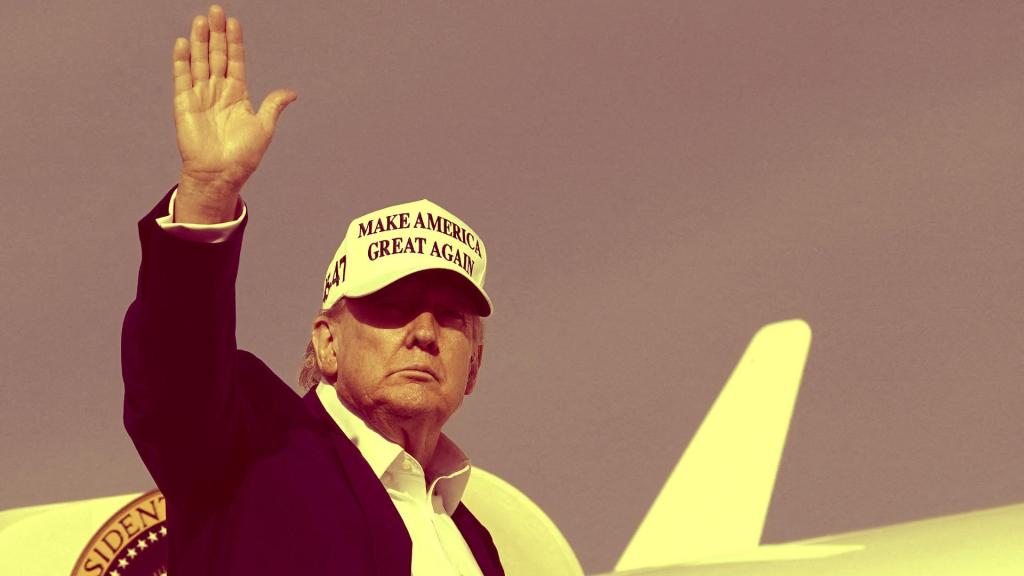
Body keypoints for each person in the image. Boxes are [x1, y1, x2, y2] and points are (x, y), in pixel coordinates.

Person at [120, 4, 505, 575]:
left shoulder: (474, 542)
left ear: (473, 367)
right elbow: (176, 374)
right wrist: (207, 193)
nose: (424, 333)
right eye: (392, 307)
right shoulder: (251, 446)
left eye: (450, 318)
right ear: (326, 343)